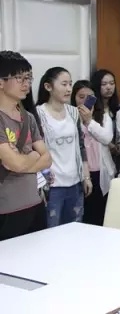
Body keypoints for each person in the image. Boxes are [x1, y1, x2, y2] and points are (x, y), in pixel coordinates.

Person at [0, 51, 52, 241]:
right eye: (20, 78)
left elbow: (47, 159)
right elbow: (15, 163)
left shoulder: (28, 117)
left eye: (29, 78)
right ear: (1, 82)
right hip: (6, 208)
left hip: (34, 203)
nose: (26, 84)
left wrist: (23, 160)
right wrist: (32, 156)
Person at [36, 67, 91, 227]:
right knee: (51, 230)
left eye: (70, 84)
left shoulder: (73, 112)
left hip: (75, 182)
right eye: (64, 84)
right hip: (52, 185)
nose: (68, 89)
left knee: (75, 229)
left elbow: (80, 146)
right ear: (48, 87)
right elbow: (35, 151)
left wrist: (86, 176)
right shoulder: (38, 114)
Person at [71, 80, 117, 226]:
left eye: (89, 97)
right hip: (81, 173)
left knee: (101, 215)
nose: (85, 100)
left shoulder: (103, 115)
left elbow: (107, 138)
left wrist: (89, 121)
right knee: (84, 215)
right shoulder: (70, 117)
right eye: (81, 96)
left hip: (101, 171)